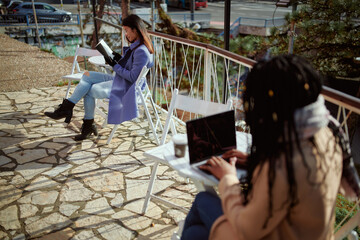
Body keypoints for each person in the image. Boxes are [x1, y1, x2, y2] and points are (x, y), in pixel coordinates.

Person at [181, 55, 343, 240]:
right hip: (303, 232)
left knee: (201, 206)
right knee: (197, 232)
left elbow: (247, 228)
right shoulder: (325, 135)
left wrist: (228, 178)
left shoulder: (282, 165)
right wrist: (255, 162)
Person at [44, 14, 154, 141]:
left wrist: (114, 65)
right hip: (120, 80)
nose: (126, 34)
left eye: (127, 30)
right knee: (86, 75)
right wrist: (115, 57)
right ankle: (68, 108)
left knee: (89, 90)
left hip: (126, 87)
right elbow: (129, 65)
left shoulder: (141, 51)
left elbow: (132, 77)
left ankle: (82, 121)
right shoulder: (137, 45)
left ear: (135, 29)